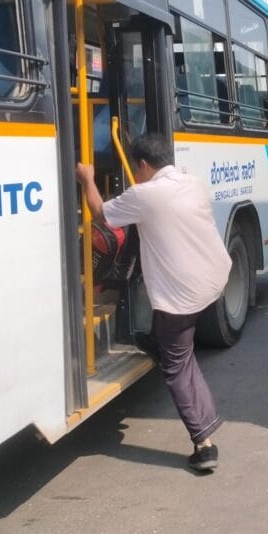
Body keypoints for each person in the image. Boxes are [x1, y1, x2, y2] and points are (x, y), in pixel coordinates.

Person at [75, 133, 229, 472]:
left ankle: (203, 445)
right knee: (179, 352)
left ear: (143, 165)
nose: (135, 173)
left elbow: (101, 214)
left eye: (136, 168)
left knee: (176, 367)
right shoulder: (193, 183)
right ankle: (157, 344)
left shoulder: (145, 194)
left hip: (181, 296)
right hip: (213, 280)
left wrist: (87, 178)